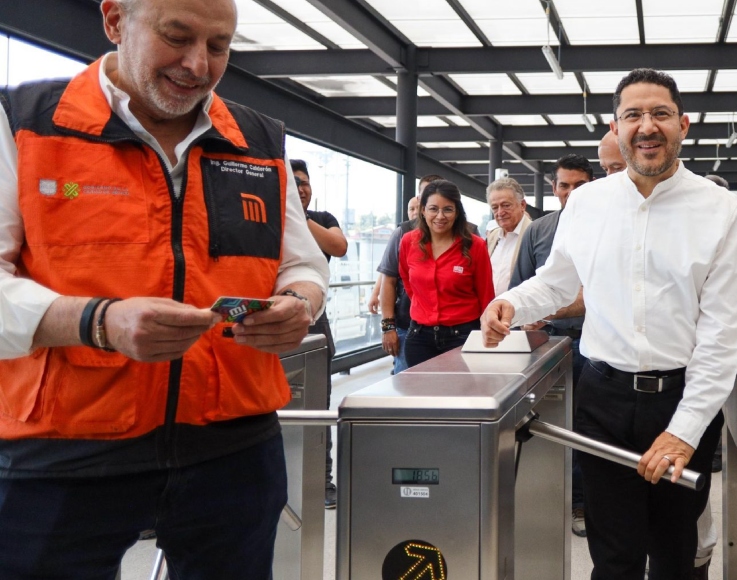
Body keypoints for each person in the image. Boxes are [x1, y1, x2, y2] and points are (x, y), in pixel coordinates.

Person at [0, 0, 329, 576]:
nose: (198, 66)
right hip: (61, 450)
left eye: (219, 47)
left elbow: (301, 264)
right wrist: (97, 322)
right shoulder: (25, 123)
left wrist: (300, 303)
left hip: (233, 444)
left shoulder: (256, 139)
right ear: (114, 21)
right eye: (176, 37)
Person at [482, 68, 737, 579]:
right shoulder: (587, 202)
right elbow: (556, 284)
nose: (647, 126)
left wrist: (685, 432)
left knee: (674, 551)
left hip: (682, 395)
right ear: (615, 127)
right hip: (603, 397)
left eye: (660, 114)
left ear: (684, 125)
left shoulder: (720, 209)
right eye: (633, 115)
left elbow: (721, 334)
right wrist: (510, 304)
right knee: (613, 552)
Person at [509, 153, 593, 538]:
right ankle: (542, 501)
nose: (572, 192)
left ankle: (580, 501)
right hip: (551, 343)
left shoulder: (604, 225)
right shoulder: (539, 230)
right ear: (554, 188)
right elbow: (523, 286)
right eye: (564, 185)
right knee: (544, 425)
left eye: (580, 185)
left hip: (594, 343)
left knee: (588, 427)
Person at [291, 159, 347, 510]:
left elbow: (338, 246)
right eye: (293, 182)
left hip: (314, 324)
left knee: (317, 405)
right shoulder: (268, 215)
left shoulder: (322, 219)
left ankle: (321, 480)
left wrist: (299, 215)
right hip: (274, 324)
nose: (301, 188)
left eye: (305, 182)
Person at [400, 180, 494, 367]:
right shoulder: (408, 241)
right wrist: (424, 306)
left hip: (463, 337)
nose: (440, 216)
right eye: (433, 209)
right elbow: (407, 281)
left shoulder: (475, 246)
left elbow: (486, 295)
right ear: (423, 210)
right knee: (421, 395)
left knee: (461, 394)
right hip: (419, 338)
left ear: (457, 212)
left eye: (448, 209)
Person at [377, 175, 441, 374]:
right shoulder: (403, 233)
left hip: (454, 331)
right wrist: (388, 327)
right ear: (420, 200)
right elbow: (388, 280)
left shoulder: (467, 235)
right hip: (408, 325)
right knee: (408, 389)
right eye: (428, 196)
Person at [486, 177, 532, 296]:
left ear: (522, 205)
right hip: (490, 311)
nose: (500, 212)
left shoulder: (536, 234)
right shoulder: (492, 237)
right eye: (495, 207)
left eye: (506, 205)